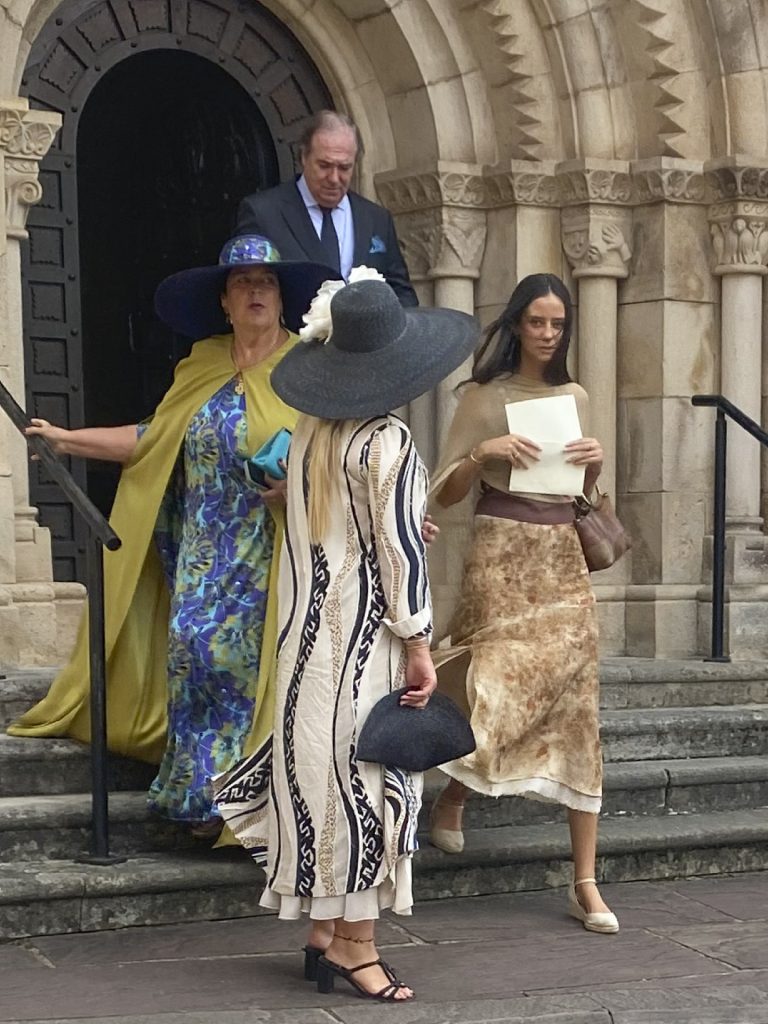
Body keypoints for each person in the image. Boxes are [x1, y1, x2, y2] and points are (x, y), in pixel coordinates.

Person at [8, 236, 341, 834]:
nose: (256, 292)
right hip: (201, 551)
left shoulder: (307, 368)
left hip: (270, 551)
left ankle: (237, 802)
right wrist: (65, 439)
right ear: (225, 301)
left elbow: (336, 455)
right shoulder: (203, 364)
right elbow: (154, 437)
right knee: (191, 659)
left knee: (237, 667)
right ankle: (199, 798)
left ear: (283, 297)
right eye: (243, 283)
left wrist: (304, 490)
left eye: (266, 282)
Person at [214, 278, 479, 1001]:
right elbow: (397, 554)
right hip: (365, 646)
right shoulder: (387, 438)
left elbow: (352, 529)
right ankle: (356, 949)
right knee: (367, 786)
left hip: (305, 643)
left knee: (323, 780)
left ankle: (323, 936)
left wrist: (401, 521)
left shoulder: (309, 437)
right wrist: (420, 643)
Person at [428, 273, 619, 935]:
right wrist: (484, 451)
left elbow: (593, 505)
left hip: (562, 559)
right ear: (515, 325)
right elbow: (442, 492)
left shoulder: (575, 395)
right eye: (535, 322)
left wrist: (594, 469)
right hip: (501, 558)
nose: (546, 334)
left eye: (557, 324)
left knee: (575, 704)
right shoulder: (483, 397)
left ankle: (585, 882)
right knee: (500, 690)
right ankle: (454, 794)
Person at [235, 110, 418, 307]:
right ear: (304, 157)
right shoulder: (263, 213)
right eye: (324, 165)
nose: (333, 178)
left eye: (344, 168)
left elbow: (401, 294)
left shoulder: (376, 219)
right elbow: (247, 292)